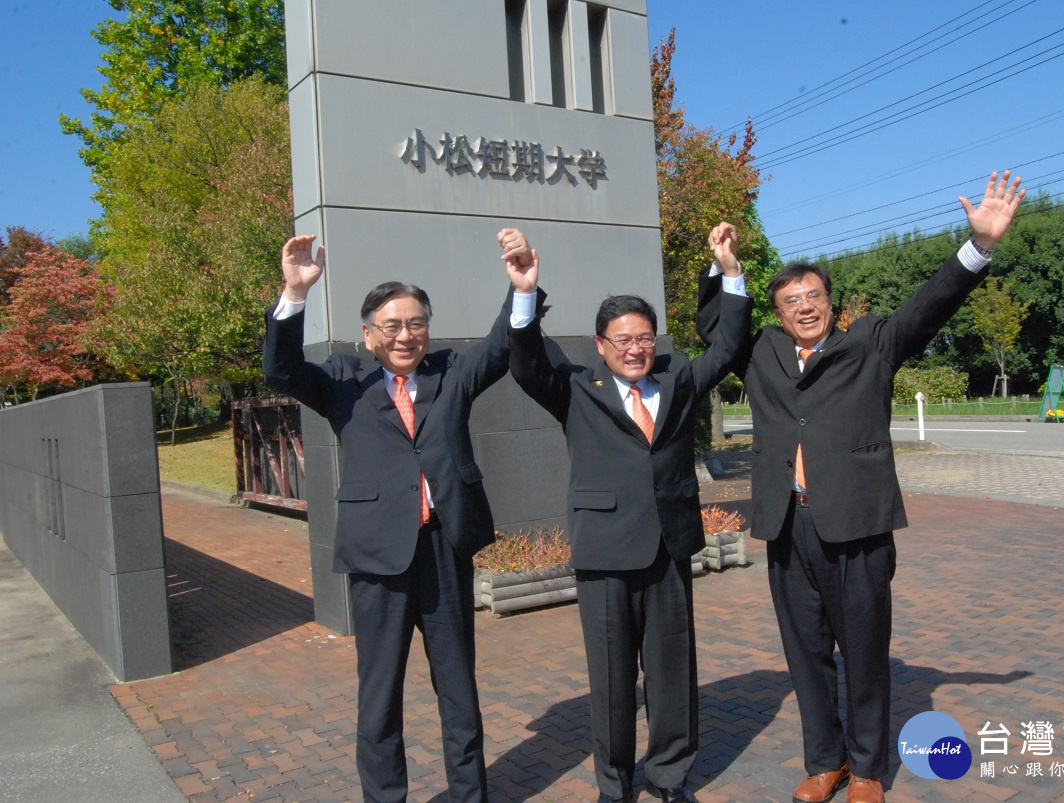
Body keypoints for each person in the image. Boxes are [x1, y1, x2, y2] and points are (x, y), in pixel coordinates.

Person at [698, 171, 1025, 803]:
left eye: (814, 295)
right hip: (789, 527)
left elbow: (929, 304)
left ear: (831, 301)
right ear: (778, 312)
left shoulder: (872, 344)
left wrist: (978, 247)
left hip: (857, 527)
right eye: (792, 300)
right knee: (806, 654)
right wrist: (726, 267)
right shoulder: (760, 352)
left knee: (867, 654)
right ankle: (826, 762)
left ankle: (868, 770)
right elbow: (718, 323)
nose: (805, 307)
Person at [262, 232, 538, 803]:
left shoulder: (451, 373)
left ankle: (469, 795)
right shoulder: (344, 381)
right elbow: (282, 369)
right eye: (391, 326)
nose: (405, 335)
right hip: (378, 557)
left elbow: (500, 348)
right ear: (369, 335)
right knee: (380, 693)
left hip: (442, 548)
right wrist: (294, 293)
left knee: (458, 690)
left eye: (415, 323)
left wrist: (521, 290)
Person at [501, 224, 751, 803]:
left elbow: (729, 346)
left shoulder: (680, 377)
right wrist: (523, 292)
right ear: (601, 345)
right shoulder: (575, 388)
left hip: (669, 546)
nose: (635, 348)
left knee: (672, 673)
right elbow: (525, 363)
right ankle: (613, 783)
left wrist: (731, 274)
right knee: (611, 678)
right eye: (622, 339)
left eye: (644, 337)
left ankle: (669, 775)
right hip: (605, 552)